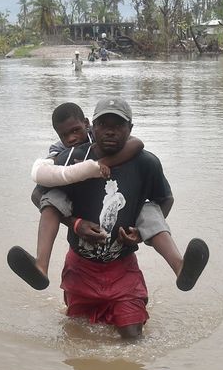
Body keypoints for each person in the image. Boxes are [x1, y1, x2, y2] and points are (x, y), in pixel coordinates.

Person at [11, 98, 209, 339]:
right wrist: (75, 223)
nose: (111, 130)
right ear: (93, 127)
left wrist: (138, 232)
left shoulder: (147, 163)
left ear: (130, 129)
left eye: (118, 125)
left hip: (122, 267)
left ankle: (180, 267)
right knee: (79, 336)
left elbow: (165, 199)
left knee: (133, 335)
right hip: (81, 266)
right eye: (104, 124)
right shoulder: (75, 158)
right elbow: (39, 194)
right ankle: (41, 265)